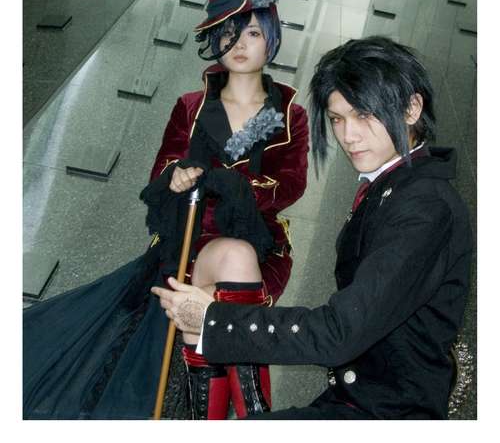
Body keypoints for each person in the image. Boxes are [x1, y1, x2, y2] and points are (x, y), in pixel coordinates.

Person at [23, 0, 309, 421]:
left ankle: (247, 419)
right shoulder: (191, 106)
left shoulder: (291, 112)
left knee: (225, 293)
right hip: (186, 239)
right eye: (228, 33)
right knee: (208, 320)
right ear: (214, 40)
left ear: (271, 38)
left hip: (255, 240)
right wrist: (176, 176)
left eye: (252, 32)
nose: (239, 44)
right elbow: (163, 166)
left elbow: (291, 183)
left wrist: (227, 183)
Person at [152, 36, 474, 420]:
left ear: (411, 108)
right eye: (337, 119)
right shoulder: (394, 188)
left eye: (364, 115)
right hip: (356, 401)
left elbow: (340, 332)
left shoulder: (426, 207)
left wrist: (213, 320)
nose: (348, 135)